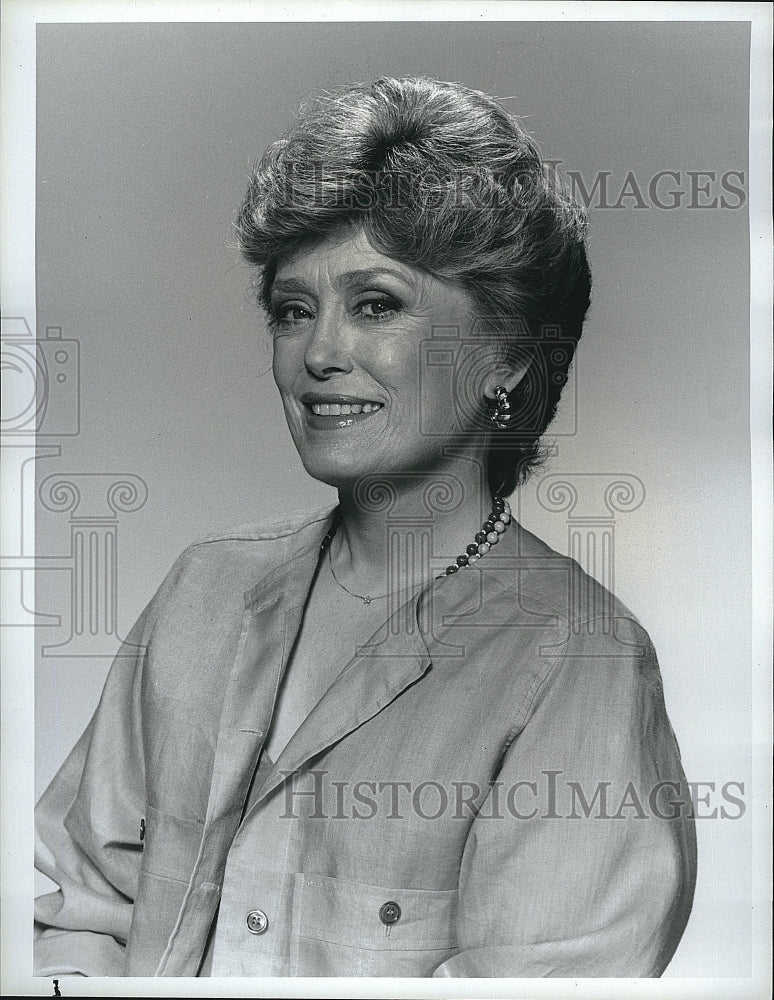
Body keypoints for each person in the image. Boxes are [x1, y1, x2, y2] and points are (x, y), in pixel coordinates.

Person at [34, 76, 696, 978]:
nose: (318, 354)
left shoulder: (581, 662)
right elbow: (76, 910)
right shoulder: (205, 589)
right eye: (293, 309)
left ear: (505, 353)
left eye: (376, 304)